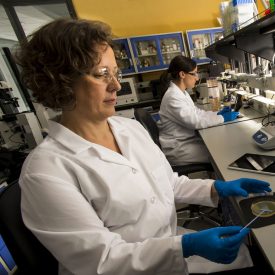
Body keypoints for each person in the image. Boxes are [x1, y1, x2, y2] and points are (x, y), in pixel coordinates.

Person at [16, 18, 272, 275]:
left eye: (116, 72)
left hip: (168, 246)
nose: (116, 85)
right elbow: (100, 261)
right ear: (60, 81)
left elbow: (167, 185)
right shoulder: (45, 171)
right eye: (102, 74)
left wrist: (217, 187)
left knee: (253, 256)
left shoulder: (130, 130)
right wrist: (186, 246)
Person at [157, 55, 239, 166]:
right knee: (221, 152)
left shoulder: (181, 92)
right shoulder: (173, 96)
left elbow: (196, 113)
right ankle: (220, 181)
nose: (197, 78)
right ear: (182, 74)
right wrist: (222, 118)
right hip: (178, 149)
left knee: (219, 145)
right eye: (194, 73)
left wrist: (217, 113)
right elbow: (195, 122)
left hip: (185, 141)